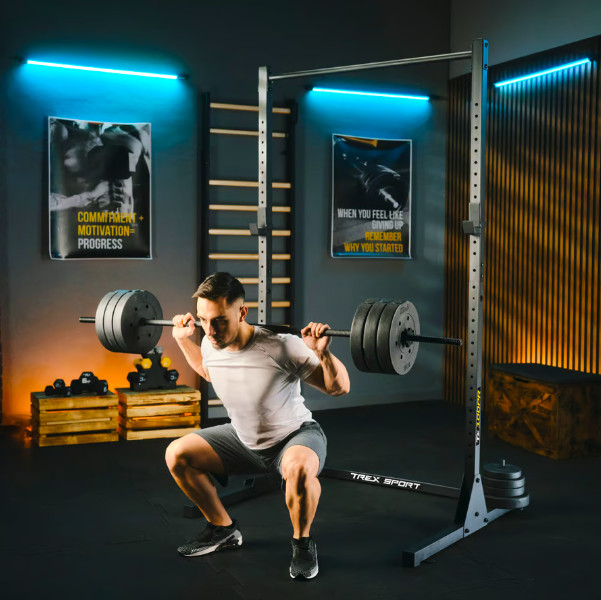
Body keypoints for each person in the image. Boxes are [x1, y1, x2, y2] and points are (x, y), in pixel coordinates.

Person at [165, 272, 350, 580]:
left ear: (242, 312)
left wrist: (322, 352)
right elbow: (207, 370)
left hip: (294, 437)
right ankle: (223, 529)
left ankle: (302, 542)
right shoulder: (210, 342)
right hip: (243, 440)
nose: (210, 330)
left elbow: (338, 388)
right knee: (177, 454)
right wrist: (183, 340)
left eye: (219, 321)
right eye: (203, 320)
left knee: (299, 471)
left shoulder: (281, 346)